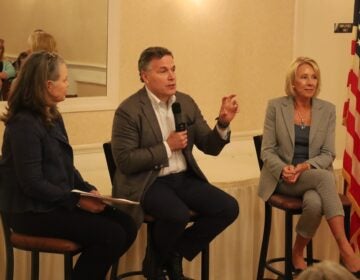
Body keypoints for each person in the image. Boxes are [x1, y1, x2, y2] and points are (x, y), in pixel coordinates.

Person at [0, 51, 137, 280]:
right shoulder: (23, 124)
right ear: (48, 85)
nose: (68, 84)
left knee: (127, 224)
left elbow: (66, 166)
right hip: (30, 212)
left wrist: (87, 190)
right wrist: (78, 201)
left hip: (53, 203)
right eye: (64, 80)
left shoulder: (52, 114)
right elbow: (32, 184)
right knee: (111, 235)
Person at [111, 46, 240, 280]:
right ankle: (158, 265)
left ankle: (172, 254)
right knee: (177, 215)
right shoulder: (129, 110)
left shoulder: (185, 103)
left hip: (183, 178)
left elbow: (209, 146)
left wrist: (222, 124)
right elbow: (125, 161)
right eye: (163, 71)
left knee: (228, 207)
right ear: (145, 76)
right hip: (148, 181)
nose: (171, 76)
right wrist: (167, 146)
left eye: (173, 69)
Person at [257, 56, 360, 276]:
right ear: (292, 82)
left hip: (309, 175)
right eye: (304, 77)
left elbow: (328, 153)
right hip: (282, 178)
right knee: (325, 178)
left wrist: (304, 167)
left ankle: (297, 251)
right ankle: (344, 246)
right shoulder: (276, 107)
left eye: (314, 77)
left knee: (314, 203)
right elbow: (267, 150)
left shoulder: (327, 110)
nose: (311, 82)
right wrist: (284, 169)